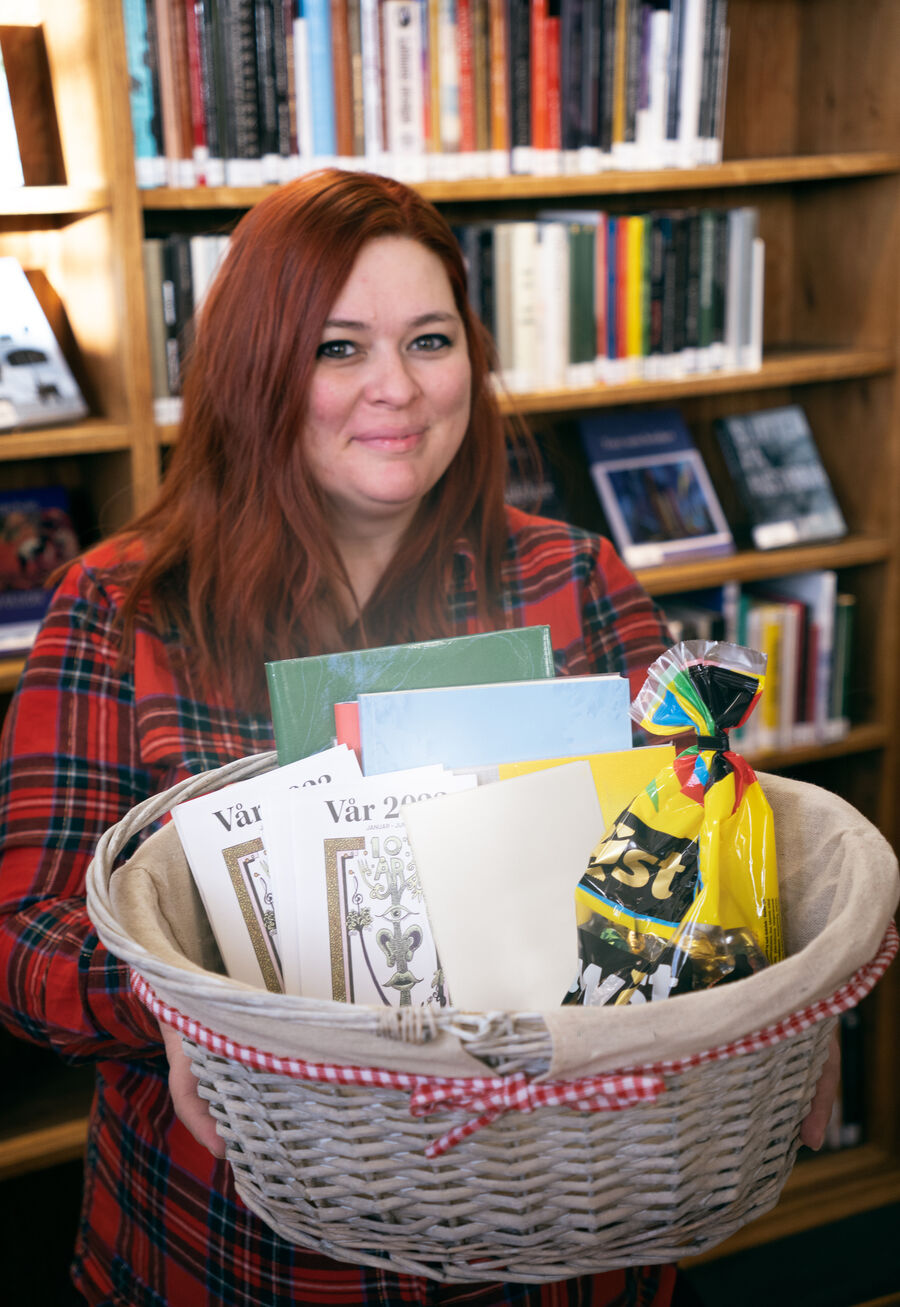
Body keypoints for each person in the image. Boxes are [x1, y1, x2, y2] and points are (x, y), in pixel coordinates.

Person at [0, 169, 837, 1307]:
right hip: (240, 1251)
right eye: (336, 348)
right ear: (257, 369)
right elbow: (24, 946)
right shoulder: (123, 605)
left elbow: (697, 829)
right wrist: (181, 1003)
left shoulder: (571, 576)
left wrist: (775, 987)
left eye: (429, 339)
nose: (394, 388)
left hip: (556, 1236)